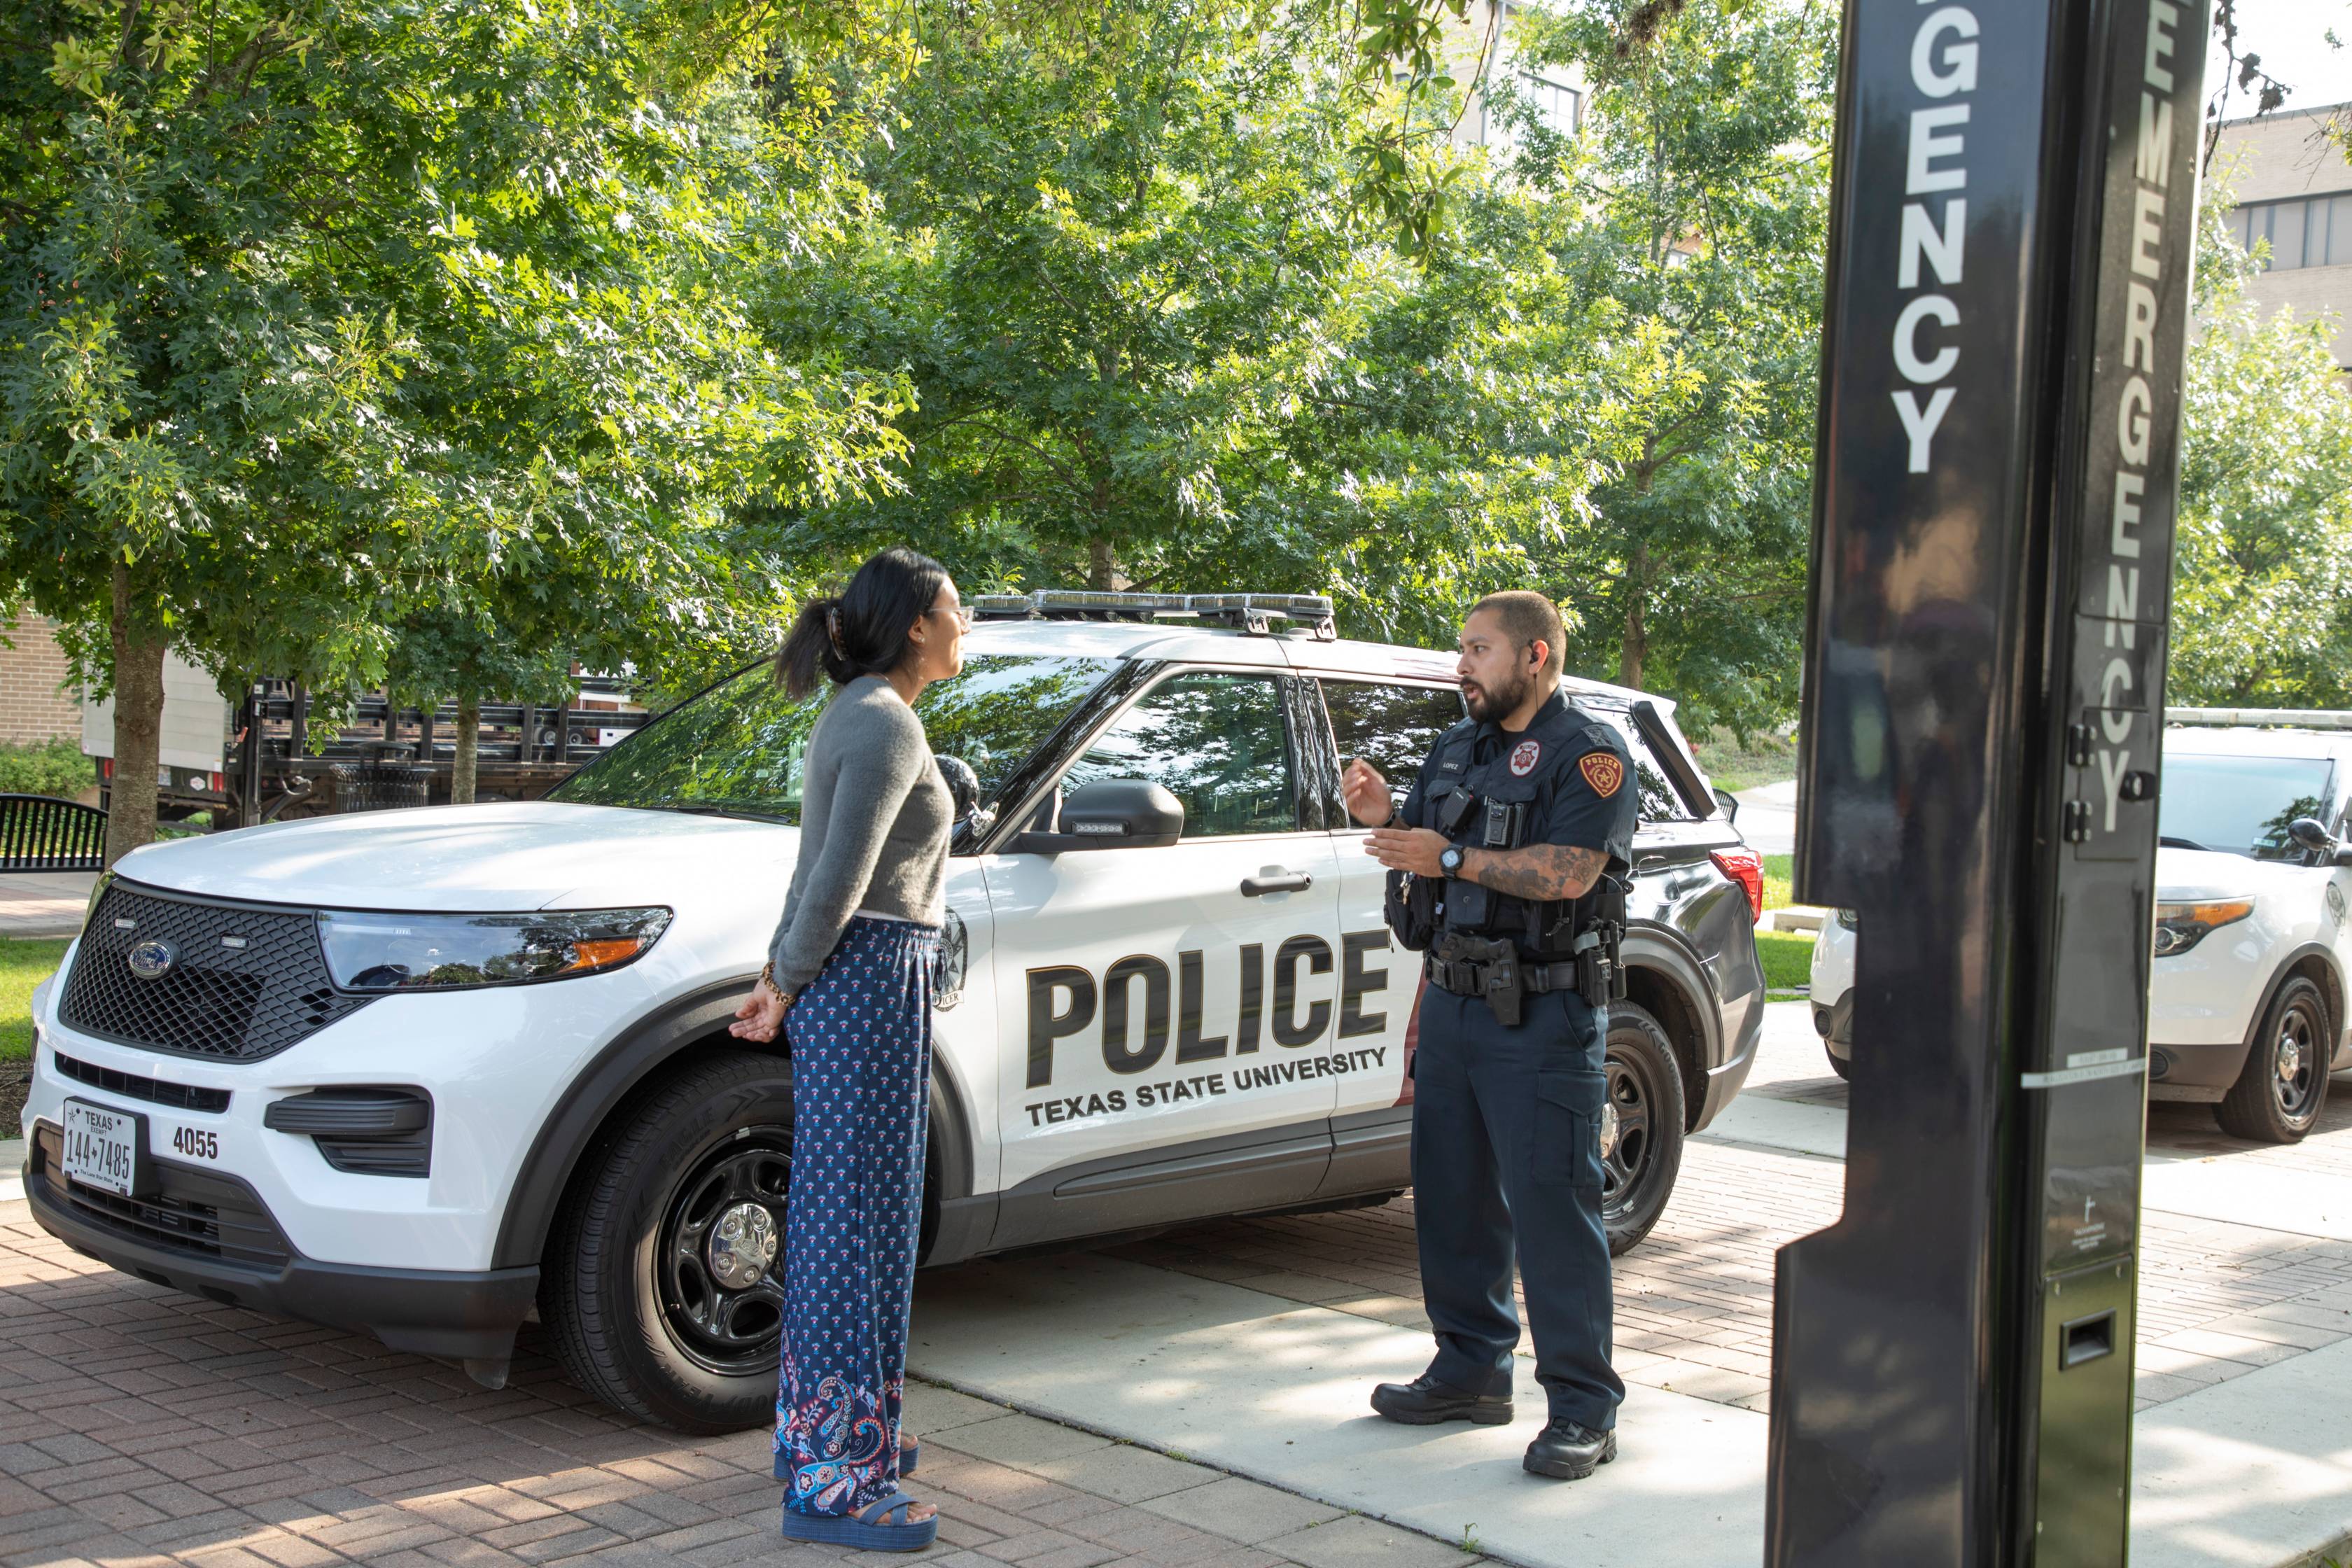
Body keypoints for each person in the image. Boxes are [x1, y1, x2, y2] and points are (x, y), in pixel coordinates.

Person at [1340, 590, 1637, 1482]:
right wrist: (1384, 818)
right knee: (1454, 1197)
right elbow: (1428, 857)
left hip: (1544, 1014)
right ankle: (1471, 1367)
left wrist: (1451, 856)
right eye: (1461, 647)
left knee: (1553, 1210)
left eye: (1478, 648)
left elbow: (1571, 871)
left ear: (1536, 656)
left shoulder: (1590, 755)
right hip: (1457, 1002)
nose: (1461, 663)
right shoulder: (1459, 744)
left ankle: (1584, 1407)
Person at [729, 546, 967, 1551]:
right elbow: (836, 879)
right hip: (868, 983)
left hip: (867, 984)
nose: (966, 626)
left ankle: (833, 1434)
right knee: (853, 1226)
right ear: (915, 623)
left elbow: (817, 873)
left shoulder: (867, 717)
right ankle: (833, 1483)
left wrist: (780, 978)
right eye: (957, 610)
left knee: (859, 1214)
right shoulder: (883, 722)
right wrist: (783, 980)